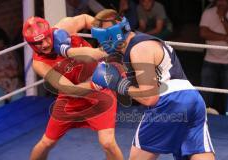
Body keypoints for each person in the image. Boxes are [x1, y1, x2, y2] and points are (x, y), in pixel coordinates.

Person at [80, 9, 215, 160]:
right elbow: (95, 55)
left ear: (113, 32)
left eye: (103, 38)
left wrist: (118, 84)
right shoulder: (135, 43)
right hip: (193, 99)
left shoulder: (139, 49)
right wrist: (65, 49)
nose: (102, 44)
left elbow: (149, 98)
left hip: (169, 102)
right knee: (199, 154)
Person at [22, 16, 124, 160]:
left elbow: (85, 19)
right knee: (47, 142)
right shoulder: (39, 64)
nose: (45, 44)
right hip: (71, 98)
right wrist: (95, 83)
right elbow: (70, 89)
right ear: (31, 44)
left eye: (46, 38)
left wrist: (105, 29)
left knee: (108, 143)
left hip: (100, 93)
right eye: (38, 42)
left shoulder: (64, 27)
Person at [199, 0, 228, 114]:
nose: (220, 2)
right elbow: (203, 33)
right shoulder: (208, 13)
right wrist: (225, 37)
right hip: (210, 60)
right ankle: (202, 119)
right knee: (205, 94)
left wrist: (222, 18)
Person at [0, 27, 24, 107]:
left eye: (1, 42)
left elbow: (20, 70)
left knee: (19, 98)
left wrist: (12, 74)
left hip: (13, 83)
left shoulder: (11, 51)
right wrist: (3, 74)